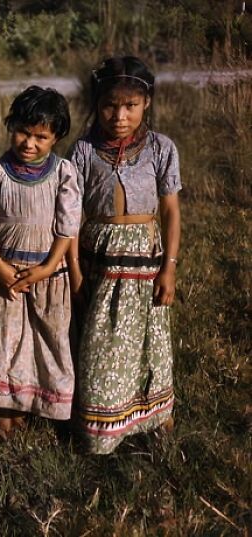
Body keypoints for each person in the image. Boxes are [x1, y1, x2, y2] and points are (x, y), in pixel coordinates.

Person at [69, 56, 181, 454]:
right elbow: (68, 218)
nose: (119, 116)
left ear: (145, 103)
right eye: (109, 106)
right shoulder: (82, 151)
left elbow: (170, 212)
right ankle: (103, 430)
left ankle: (151, 416)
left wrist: (168, 267)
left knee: (149, 340)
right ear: (97, 106)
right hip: (98, 256)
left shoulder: (161, 148)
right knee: (100, 343)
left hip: (146, 259)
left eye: (130, 106)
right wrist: (75, 273)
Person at [0, 86, 81, 439]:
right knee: (2, 341)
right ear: (10, 125)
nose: (29, 143)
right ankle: (2, 414)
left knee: (48, 339)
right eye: (23, 131)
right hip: (4, 272)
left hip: (49, 273)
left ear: (56, 137)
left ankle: (45, 407)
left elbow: (67, 227)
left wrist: (48, 267)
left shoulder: (64, 173)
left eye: (41, 137)